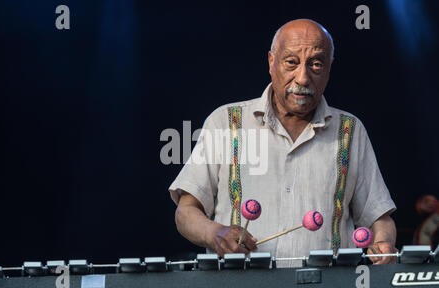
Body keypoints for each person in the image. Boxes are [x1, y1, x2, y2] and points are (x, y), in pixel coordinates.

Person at [169, 19, 397, 266]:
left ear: (329, 68)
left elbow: (379, 219)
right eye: (291, 62)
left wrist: (383, 244)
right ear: (271, 62)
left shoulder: (350, 131)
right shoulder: (225, 122)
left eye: (316, 64)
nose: (302, 77)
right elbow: (186, 212)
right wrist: (214, 234)